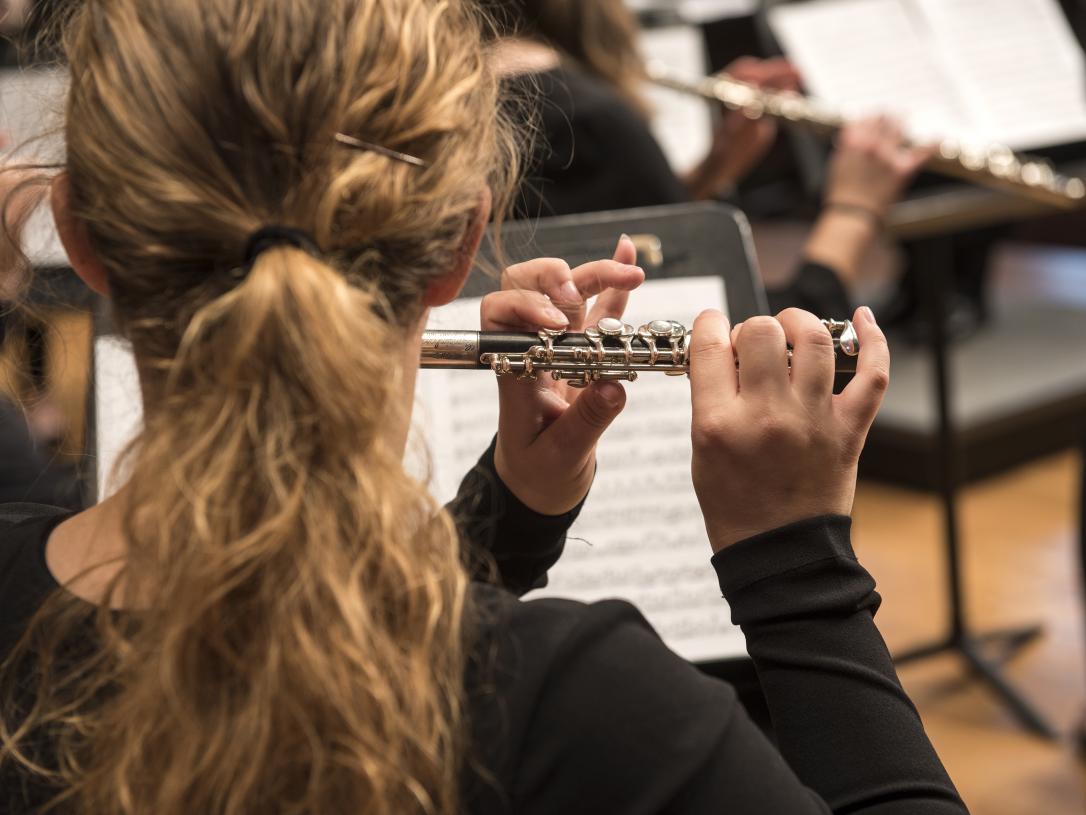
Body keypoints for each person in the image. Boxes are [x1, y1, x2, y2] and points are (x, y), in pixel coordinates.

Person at [0, 1, 967, 812]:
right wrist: (794, 560)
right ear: (467, 241)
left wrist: (512, 510)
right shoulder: (580, 705)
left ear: (78, 236)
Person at [484, 0, 933, 318]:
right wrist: (854, 210)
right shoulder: (586, 119)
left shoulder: (463, 95)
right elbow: (760, 346)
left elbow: (592, 231)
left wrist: (710, 172)